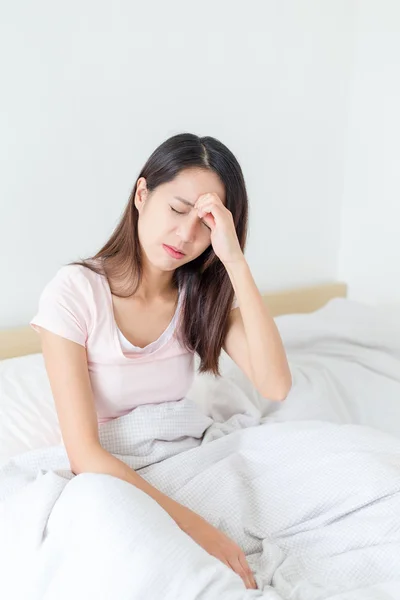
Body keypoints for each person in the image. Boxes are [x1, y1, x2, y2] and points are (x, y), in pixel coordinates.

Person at [30, 132, 292, 590]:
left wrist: (234, 260)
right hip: (108, 475)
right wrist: (196, 528)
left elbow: (275, 386)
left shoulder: (200, 298)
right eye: (176, 210)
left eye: (206, 222)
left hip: (185, 458)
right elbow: (84, 453)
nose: (187, 235)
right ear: (141, 193)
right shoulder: (74, 293)